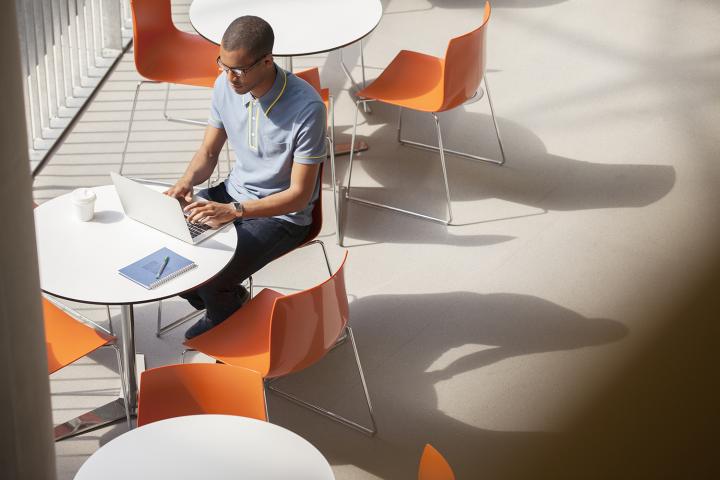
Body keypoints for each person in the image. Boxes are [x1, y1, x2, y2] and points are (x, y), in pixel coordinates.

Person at [165, 16, 326, 339]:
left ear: (267, 61)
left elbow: (298, 195)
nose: (229, 77)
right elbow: (209, 154)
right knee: (170, 254)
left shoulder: (307, 108)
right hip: (232, 193)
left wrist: (234, 211)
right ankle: (231, 301)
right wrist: (186, 182)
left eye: (238, 70)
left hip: (283, 217)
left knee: (211, 275)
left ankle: (225, 315)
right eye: (223, 66)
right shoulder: (224, 85)